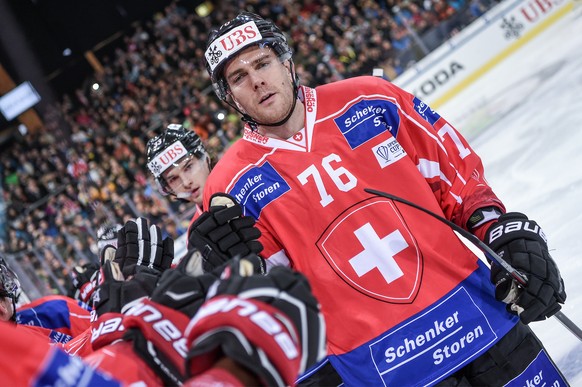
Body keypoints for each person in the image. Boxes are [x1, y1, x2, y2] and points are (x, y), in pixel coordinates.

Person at [201, 12, 568, 386]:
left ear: (286, 62)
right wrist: (232, 273)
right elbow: (276, 292)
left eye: (262, 62)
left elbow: (456, 179)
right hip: (386, 366)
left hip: (479, 317)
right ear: (230, 97)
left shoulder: (369, 99)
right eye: (238, 77)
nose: (257, 80)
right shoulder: (231, 184)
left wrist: (502, 230)